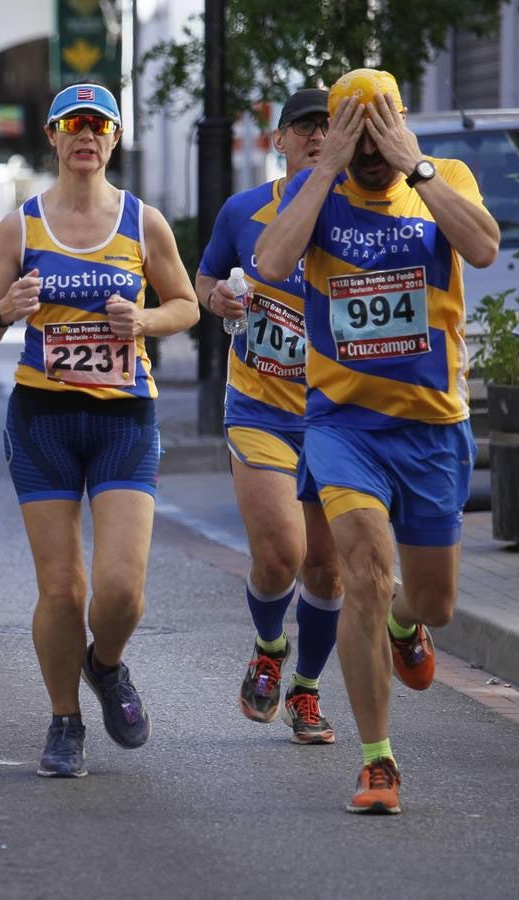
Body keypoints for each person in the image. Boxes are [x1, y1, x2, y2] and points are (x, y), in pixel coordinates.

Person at [255, 69, 499, 814]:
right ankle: (376, 761)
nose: (368, 152)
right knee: (362, 569)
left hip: (430, 427)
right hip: (343, 424)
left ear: (397, 125)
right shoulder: (315, 193)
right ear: (332, 133)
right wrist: (323, 170)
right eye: (352, 135)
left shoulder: (441, 177)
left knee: (435, 600)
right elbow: (269, 264)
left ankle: (405, 623)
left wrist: (416, 167)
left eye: (378, 131)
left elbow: (483, 249)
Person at [0, 84, 198, 778]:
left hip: (123, 415)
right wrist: (5, 307)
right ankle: (64, 717)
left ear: (114, 138)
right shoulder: (21, 226)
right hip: (43, 418)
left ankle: (106, 665)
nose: (85, 136)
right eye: (73, 124)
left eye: (99, 125)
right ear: (53, 135)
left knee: (121, 591)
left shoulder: (142, 222)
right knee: (63, 589)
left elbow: (186, 303)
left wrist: (147, 321)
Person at [196, 88, 345, 744]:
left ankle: (305, 692)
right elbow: (202, 281)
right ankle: (266, 647)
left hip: (339, 417)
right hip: (260, 406)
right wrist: (217, 303)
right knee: (282, 553)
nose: (316, 137)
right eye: (303, 127)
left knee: (327, 569)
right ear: (278, 140)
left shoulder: (357, 215)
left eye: (327, 128)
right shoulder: (243, 210)